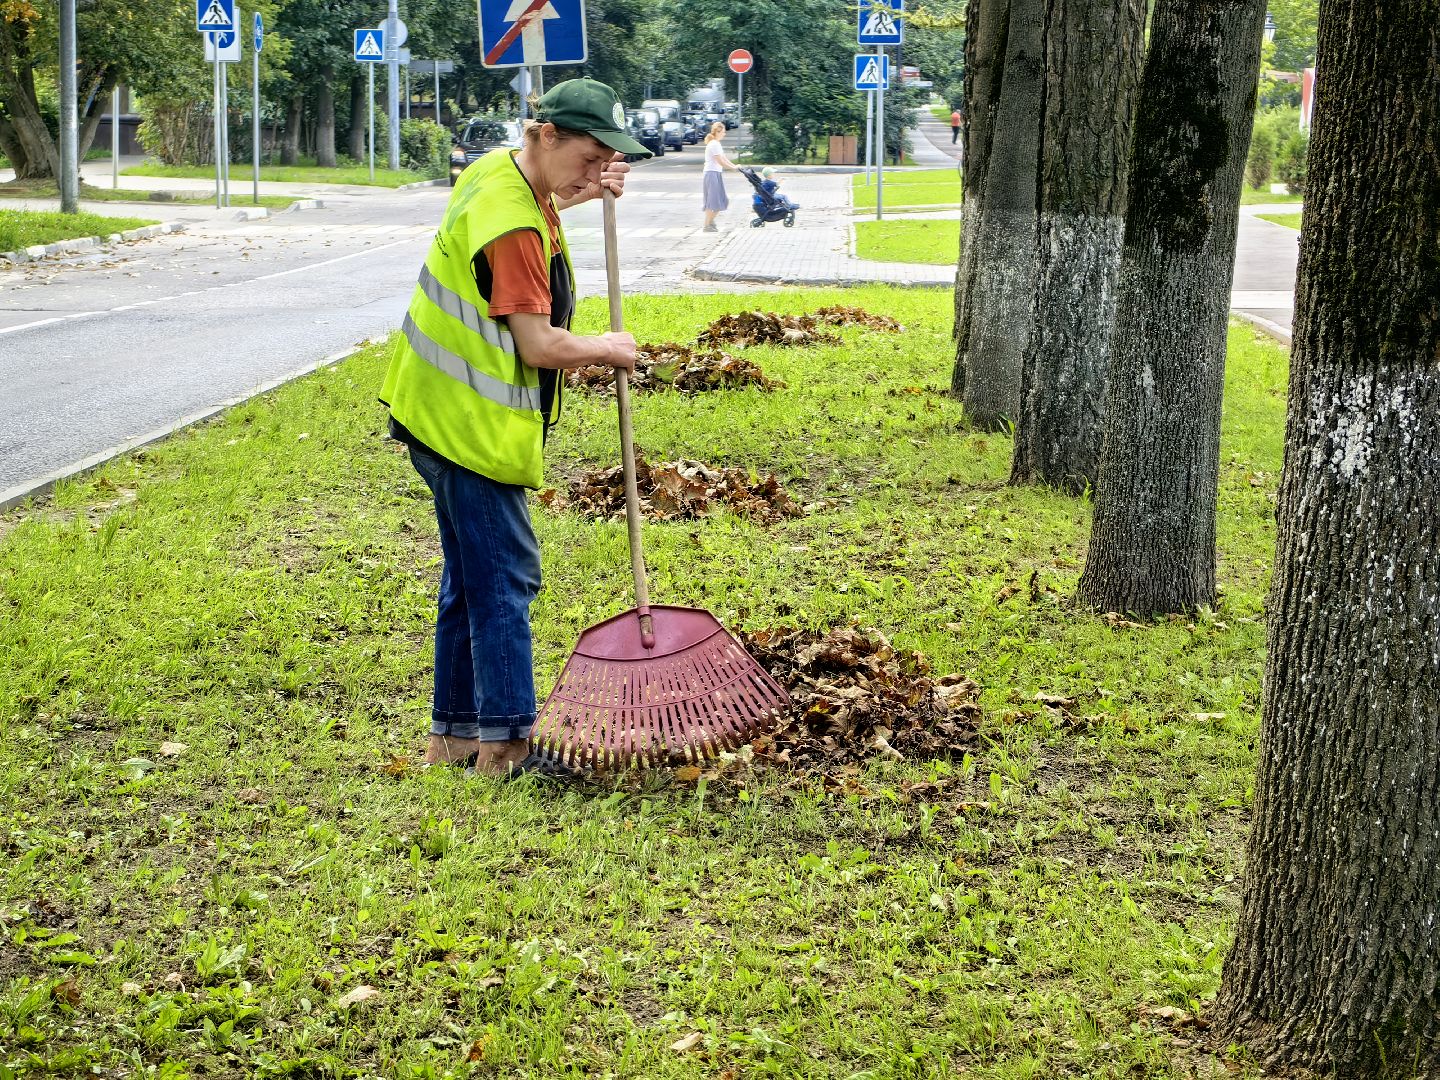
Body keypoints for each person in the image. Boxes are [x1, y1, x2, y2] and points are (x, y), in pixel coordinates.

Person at [379, 79, 653, 778]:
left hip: (429, 408)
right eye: (590, 157)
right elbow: (538, 345)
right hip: (467, 426)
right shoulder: (517, 229)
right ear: (548, 133)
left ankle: (454, 738)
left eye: (605, 163)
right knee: (504, 577)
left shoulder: (496, 172)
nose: (595, 172)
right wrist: (611, 347)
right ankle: (506, 746)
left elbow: (543, 198)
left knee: (469, 581)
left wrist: (587, 191)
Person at [702, 121, 739, 232]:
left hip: (715, 173)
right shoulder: (713, 144)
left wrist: (735, 166)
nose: (724, 134)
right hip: (711, 173)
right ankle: (707, 225)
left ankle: (710, 222)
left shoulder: (716, 143)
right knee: (713, 201)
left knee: (721, 200)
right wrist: (732, 168)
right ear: (718, 132)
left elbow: (724, 159)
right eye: (723, 132)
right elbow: (720, 161)